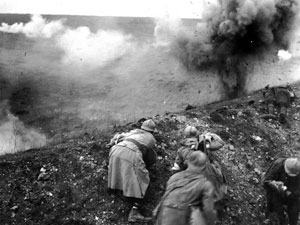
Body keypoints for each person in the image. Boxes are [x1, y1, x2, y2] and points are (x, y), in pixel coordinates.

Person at [107, 119, 157, 222]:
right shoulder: (151, 138)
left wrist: (111, 143)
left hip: (115, 149)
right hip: (131, 153)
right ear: (152, 131)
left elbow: (117, 136)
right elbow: (150, 158)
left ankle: (116, 191)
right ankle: (135, 211)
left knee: (119, 169)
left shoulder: (134, 132)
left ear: (142, 127)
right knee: (143, 181)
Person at [153, 151, 217, 225]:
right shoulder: (205, 185)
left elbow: (165, 196)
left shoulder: (174, 177)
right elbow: (208, 209)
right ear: (204, 166)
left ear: (188, 162)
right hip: (181, 216)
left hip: (163, 213)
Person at [263, 158, 300, 225]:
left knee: (294, 210)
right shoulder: (278, 165)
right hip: (275, 192)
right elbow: (266, 181)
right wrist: (274, 184)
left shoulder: (297, 170)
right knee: (277, 211)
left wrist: (289, 192)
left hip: (291, 192)